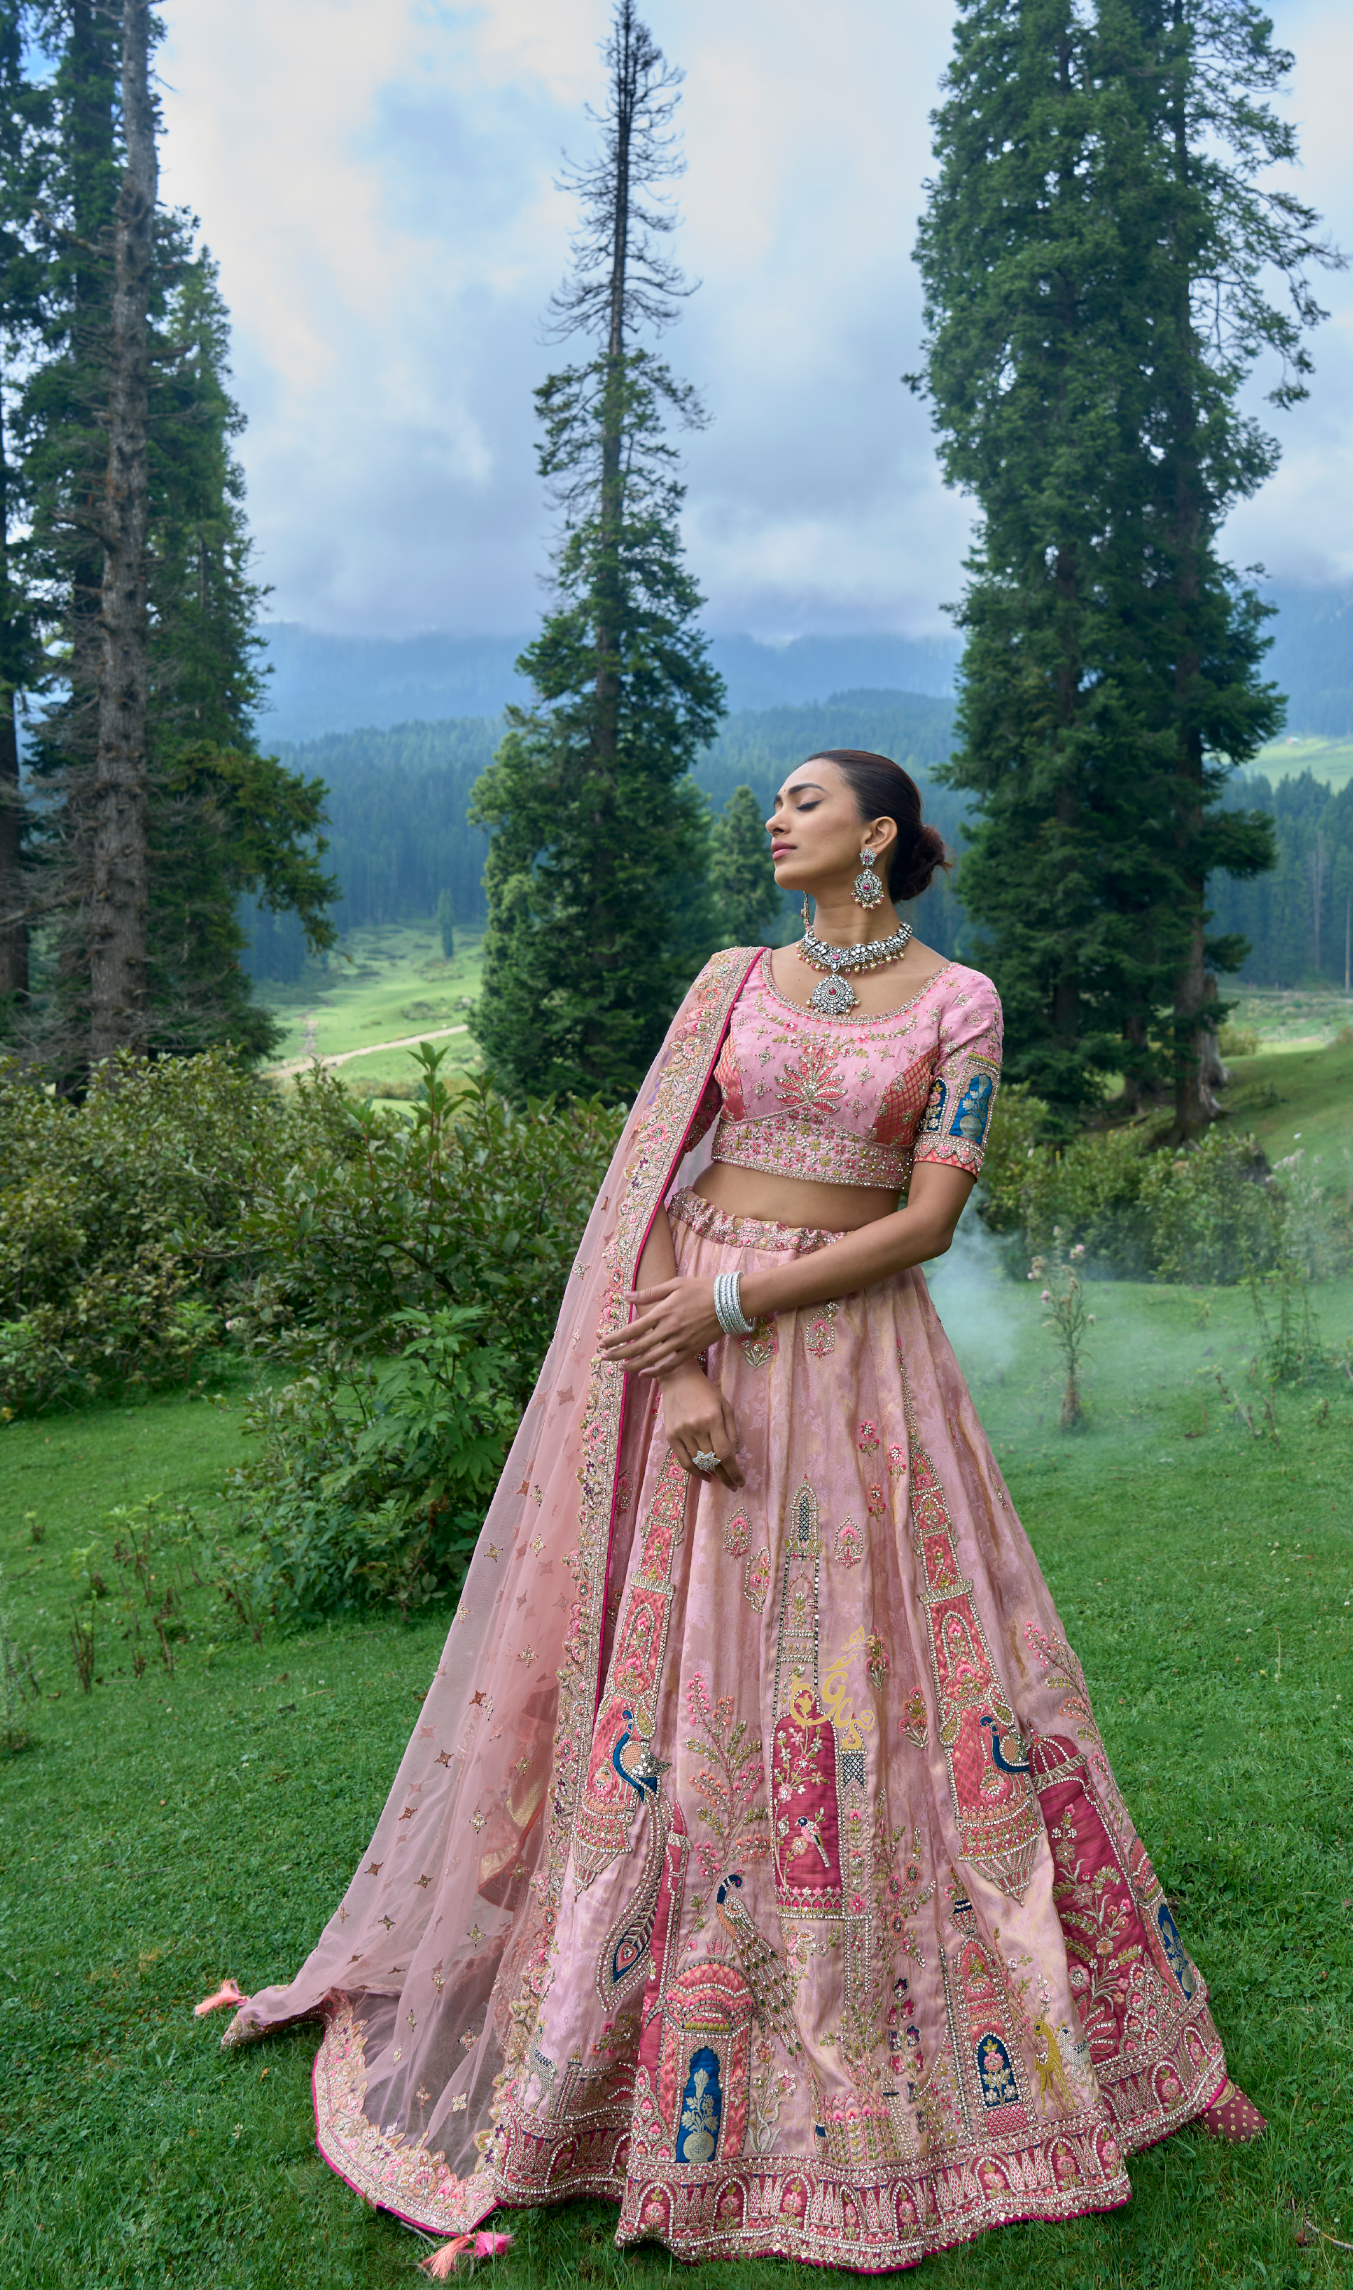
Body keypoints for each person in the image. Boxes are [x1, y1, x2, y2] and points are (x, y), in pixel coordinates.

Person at [201, 750, 1262, 2274]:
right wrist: (684, 1354)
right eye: (776, 801)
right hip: (691, 1354)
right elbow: (649, 1182)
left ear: (877, 835)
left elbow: (926, 1222)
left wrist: (732, 1299)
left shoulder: (962, 1003)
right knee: (683, 1680)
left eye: (808, 800)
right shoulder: (730, 982)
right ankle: (633, 2002)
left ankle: (953, 2000)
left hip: (857, 1365)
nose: (778, 819)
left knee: (900, 1668)